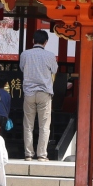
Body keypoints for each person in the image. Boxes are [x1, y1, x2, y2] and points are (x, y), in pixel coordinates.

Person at [19, 30, 58, 161]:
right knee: (44, 125)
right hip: (44, 93)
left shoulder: (25, 54)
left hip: (29, 92)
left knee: (28, 124)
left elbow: (22, 68)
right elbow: (55, 70)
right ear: (45, 42)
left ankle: (28, 154)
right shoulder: (50, 55)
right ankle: (42, 154)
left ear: (33, 41)